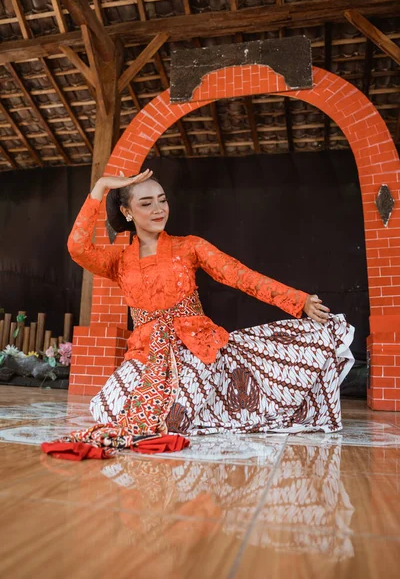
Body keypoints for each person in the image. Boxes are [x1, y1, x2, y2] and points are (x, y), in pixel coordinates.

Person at [46, 169, 354, 458]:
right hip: (146, 351)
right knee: (108, 408)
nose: (158, 209)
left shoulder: (189, 246)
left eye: (162, 200)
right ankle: (201, 411)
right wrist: (100, 187)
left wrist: (298, 301)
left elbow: (239, 275)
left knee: (173, 417)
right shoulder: (118, 259)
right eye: (146, 203)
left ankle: (209, 406)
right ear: (128, 212)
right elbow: (78, 247)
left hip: (194, 346)